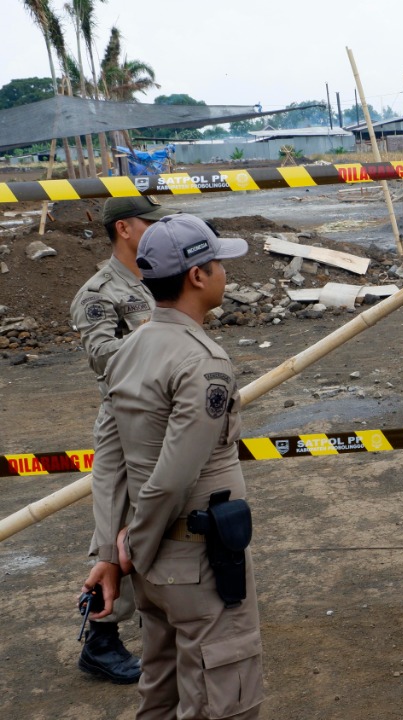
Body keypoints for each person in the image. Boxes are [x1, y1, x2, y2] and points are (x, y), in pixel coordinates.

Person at [79, 213, 265, 718]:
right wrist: (132, 547)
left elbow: (110, 460)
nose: (226, 272)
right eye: (218, 263)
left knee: (160, 694)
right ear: (197, 277)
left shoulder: (131, 347)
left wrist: (111, 553)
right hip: (196, 562)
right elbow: (172, 479)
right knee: (221, 699)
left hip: (154, 568)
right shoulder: (202, 362)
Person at [69, 196, 177, 683]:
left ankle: (165, 616)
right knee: (115, 521)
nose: (159, 229)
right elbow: (105, 358)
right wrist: (160, 332)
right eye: (151, 222)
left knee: (169, 513)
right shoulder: (99, 291)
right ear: (126, 229)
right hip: (123, 416)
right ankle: (101, 637)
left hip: (168, 410)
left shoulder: (159, 277)